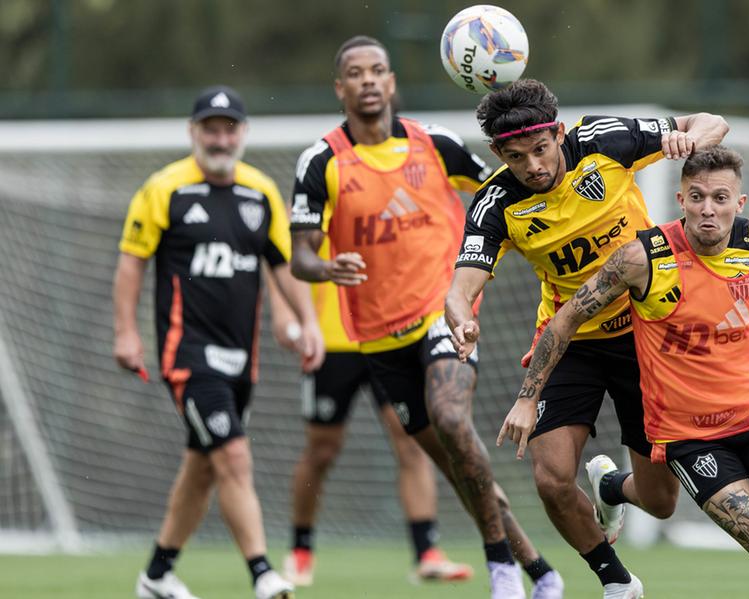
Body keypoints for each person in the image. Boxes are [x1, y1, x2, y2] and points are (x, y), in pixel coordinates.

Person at [499, 146, 749, 599]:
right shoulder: (640, 259)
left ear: (738, 205)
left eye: (720, 198)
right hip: (690, 437)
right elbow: (565, 319)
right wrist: (528, 396)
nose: (708, 209)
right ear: (680, 199)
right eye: (697, 197)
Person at [288, 36, 559, 599]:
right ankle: (539, 573)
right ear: (341, 88)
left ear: (391, 83)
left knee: (454, 421)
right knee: (462, 467)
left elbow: (502, 188)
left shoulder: (434, 144)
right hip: (376, 336)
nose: (367, 80)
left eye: (377, 71)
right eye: (355, 73)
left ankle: (500, 573)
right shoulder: (321, 162)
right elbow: (301, 257)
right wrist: (325, 268)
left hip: (444, 312)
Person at [445, 78, 728, 598]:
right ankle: (616, 581)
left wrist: (687, 138)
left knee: (661, 501)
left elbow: (711, 123)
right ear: (497, 154)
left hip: (646, 335)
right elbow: (460, 289)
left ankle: (610, 486)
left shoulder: (604, 140)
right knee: (551, 478)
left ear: (558, 133)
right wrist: (461, 317)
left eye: (540, 148)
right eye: (515, 156)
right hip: (568, 340)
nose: (532, 165)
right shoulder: (495, 204)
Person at [114, 85, 323, 599]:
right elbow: (131, 262)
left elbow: (284, 264)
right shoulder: (165, 189)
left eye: (230, 128)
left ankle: (157, 575)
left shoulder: (259, 192)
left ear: (243, 134)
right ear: (193, 133)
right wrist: (126, 332)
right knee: (232, 456)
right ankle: (262, 573)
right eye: (211, 127)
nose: (221, 137)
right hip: (187, 355)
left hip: (240, 361)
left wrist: (309, 323)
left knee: (203, 467)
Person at [268, 261, 472, 585]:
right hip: (330, 340)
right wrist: (284, 312)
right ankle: (300, 550)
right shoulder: (311, 209)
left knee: (412, 441)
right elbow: (282, 255)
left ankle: (426, 552)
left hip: (388, 334)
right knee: (321, 451)